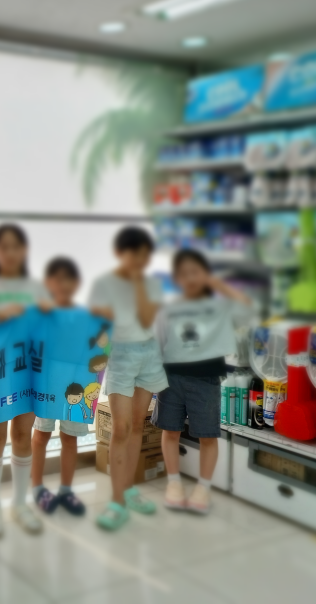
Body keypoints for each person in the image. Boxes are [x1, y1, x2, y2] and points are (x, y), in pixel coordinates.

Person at [154, 249, 250, 515]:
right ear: (176, 278)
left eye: (195, 272)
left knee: (208, 435)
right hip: (171, 376)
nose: (190, 278)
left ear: (205, 274)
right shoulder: (169, 307)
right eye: (184, 273)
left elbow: (247, 309)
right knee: (169, 430)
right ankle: (174, 483)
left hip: (206, 378)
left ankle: (203, 488)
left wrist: (219, 285)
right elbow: (158, 339)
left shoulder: (220, 306)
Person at [88, 226, 168, 532]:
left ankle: (128, 490)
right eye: (135, 254)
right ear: (120, 253)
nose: (140, 260)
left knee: (137, 425)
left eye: (145, 255)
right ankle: (116, 500)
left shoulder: (152, 284)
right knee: (120, 428)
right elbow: (98, 325)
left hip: (149, 354)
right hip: (120, 355)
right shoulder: (104, 284)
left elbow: (148, 319)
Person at [0, 224, 54, 537]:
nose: (10, 253)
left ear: (24, 251)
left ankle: (20, 504)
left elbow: (50, 328)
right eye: (3, 247)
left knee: (22, 434)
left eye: (15, 247)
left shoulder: (37, 288)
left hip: (29, 369)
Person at [31, 256, 89, 517]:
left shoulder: (84, 316)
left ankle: (66, 490)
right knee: (41, 435)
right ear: (48, 283)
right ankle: (37, 487)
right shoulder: (42, 314)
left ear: (76, 284)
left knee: (70, 437)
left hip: (76, 386)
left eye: (69, 279)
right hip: (46, 386)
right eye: (58, 279)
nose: (63, 284)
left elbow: (94, 348)